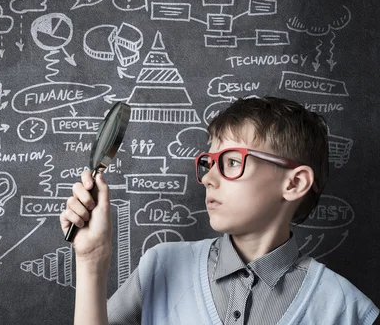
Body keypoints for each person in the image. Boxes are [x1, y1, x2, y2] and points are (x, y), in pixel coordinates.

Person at [60, 96, 378, 324]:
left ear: (294, 184)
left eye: (231, 162)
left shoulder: (346, 310)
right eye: (208, 164)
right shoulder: (160, 266)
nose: (209, 178)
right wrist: (91, 261)